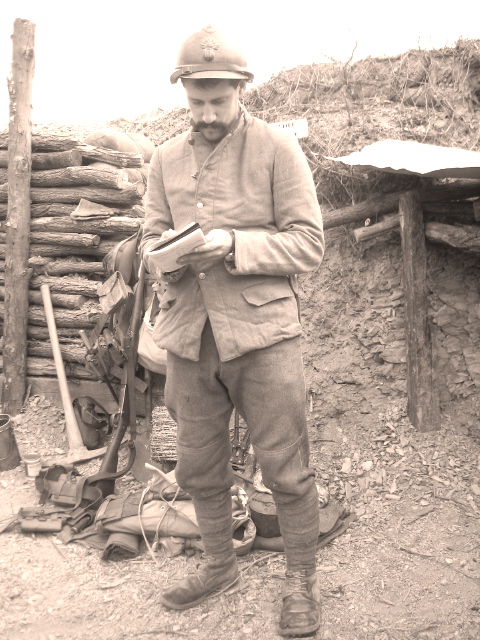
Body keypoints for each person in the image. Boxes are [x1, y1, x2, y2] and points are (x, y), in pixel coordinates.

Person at [140, 24, 325, 638]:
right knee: (197, 465)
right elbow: (149, 233)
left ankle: (300, 580)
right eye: (197, 102)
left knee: (287, 467)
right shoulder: (164, 157)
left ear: (242, 89)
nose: (208, 114)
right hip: (189, 336)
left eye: (219, 101)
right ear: (183, 93)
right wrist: (162, 254)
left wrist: (232, 244)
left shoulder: (277, 149)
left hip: (265, 336)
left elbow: (308, 244)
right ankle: (220, 564)